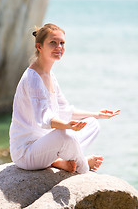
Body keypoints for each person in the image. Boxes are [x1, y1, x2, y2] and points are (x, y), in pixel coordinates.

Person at [9, 23, 120, 174]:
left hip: (44, 146)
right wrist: (68, 126)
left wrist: (97, 114)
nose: (59, 47)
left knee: (92, 124)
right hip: (26, 153)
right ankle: (83, 168)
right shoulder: (33, 78)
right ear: (39, 47)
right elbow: (45, 119)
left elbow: (65, 110)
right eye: (53, 43)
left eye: (62, 43)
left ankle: (61, 161)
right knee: (64, 134)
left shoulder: (50, 75)